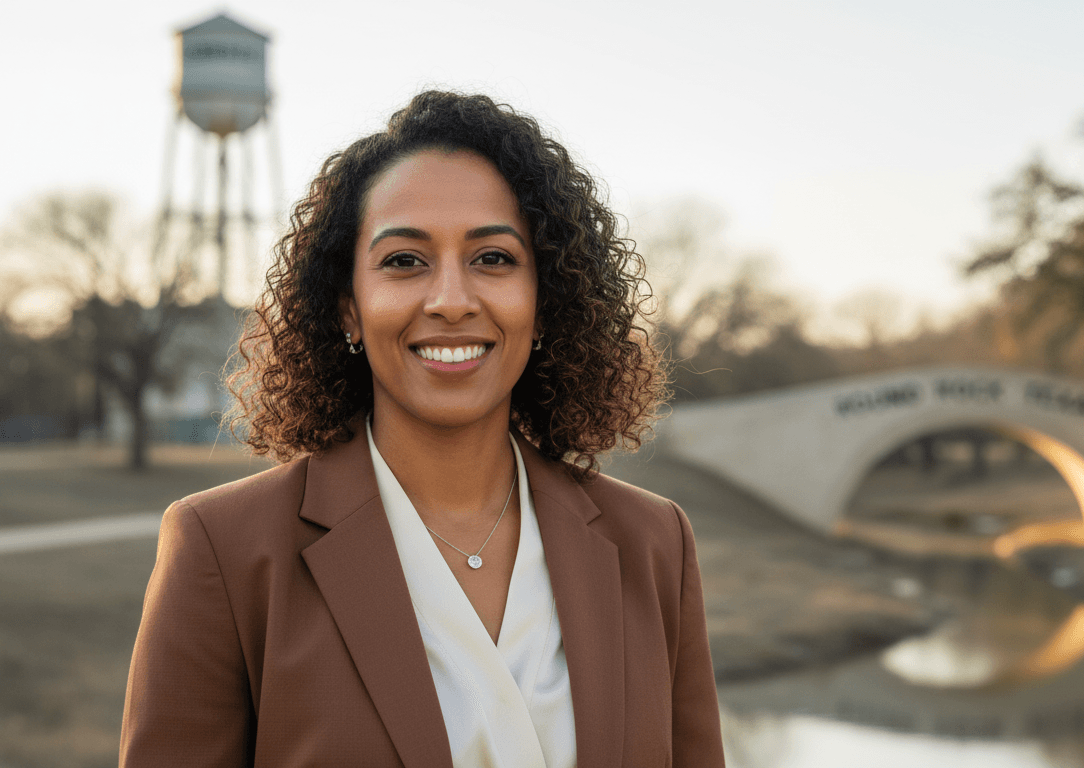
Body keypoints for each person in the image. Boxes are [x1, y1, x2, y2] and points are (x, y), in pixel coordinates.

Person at [120, 90, 725, 767]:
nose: (450, 300)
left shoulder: (651, 543)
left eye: (493, 258)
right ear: (348, 307)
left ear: (545, 299)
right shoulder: (226, 551)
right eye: (404, 261)